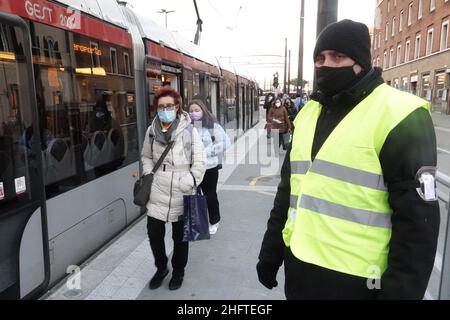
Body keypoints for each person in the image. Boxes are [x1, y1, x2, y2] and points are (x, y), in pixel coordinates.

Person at [256, 19, 440, 300]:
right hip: (301, 271)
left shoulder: (400, 114)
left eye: (338, 56)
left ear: (361, 62)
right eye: (320, 58)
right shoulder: (308, 114)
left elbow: (418, 224)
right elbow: (288, 191)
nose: (326, 65)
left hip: (359, 282)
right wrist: (271, 252)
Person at [141, 87, 206, 291]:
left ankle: (178, 271)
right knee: (154, 233)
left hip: (182, 189)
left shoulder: (189, 130)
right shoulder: (151, 131)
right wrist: (148, 174)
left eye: (169, 105)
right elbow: (145, 156)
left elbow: (200, 160)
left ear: (177, 107)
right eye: (161, 106)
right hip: (158, 188)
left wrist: (190, 180)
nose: (165, 109)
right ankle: (161, 268)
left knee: (180, 236)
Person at [188, 99, 231, 235]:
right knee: (195, 195)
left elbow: (225, 143)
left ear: (203, 110)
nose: (194, 113)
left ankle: (214, 220)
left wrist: (204, 153)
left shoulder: (213, 126)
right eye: (191, 111)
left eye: (197, 110)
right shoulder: (187, 127)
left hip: (209, 167)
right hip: (192, 167)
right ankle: (198, 223)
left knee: (210, 195)